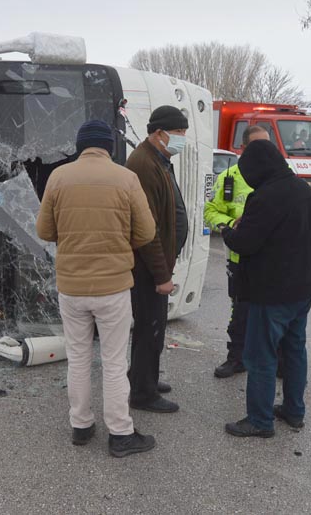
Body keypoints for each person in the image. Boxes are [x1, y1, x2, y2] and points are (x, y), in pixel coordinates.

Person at [36, 119, 158, 458]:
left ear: (80, 145)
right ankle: (120, 434)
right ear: (109, 146)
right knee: (114, 361)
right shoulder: (126, 178)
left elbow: (44, 230)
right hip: (113, 286)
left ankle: (81, 426)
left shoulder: (59, 177)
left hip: (71, 286)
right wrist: (121, 243)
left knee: (77, 357)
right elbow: (147, 232)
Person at [217, 139, 311, 438]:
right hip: (302, 288)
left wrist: (227, 230)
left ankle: (260, 421)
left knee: (260, 357)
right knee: (294, 350)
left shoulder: (266, 196)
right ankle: (293, 410)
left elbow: (245, 243)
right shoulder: (302, 189)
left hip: (271, 291)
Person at [125, 105, 190, 414]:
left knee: (154, 328)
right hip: (148, 266)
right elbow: (146, 228)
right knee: (150, 327)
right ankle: (142, 393)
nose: (182, 139)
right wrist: (162, 274)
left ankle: (142, 377)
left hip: (159, 261)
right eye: (178, 133)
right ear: (159, 133)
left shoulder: (161, 160)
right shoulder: (143, 164)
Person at [204, 126, 270, 378]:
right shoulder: (229, 178)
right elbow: (210, 211)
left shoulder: (280, 174)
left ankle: (280, 360)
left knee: (273, 312)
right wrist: (232, 224)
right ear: (243, 148)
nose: (264, 150)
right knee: (240, 312)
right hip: (239, 260)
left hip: (270, 259)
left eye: (267, 144)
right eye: (257, 144)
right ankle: (237, 358)